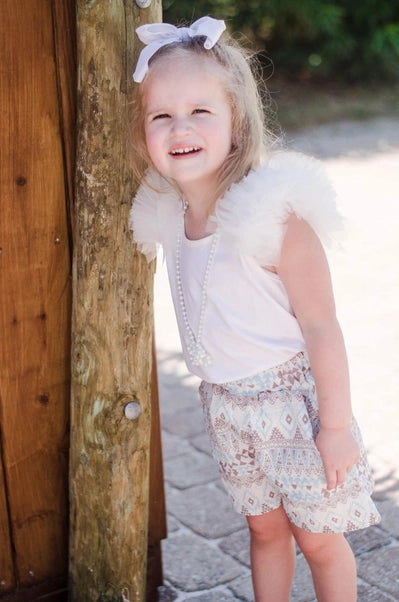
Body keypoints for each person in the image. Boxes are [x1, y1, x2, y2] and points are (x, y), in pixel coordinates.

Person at [129, 16, 380, 602]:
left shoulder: (275, 218)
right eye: (160, 115)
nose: (179, 127)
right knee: (264, 530)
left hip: (295, 409)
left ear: (236, 121)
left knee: (318, 538)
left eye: (200, 111)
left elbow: (322, 326)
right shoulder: (167, 215)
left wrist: (336, 428)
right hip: (227, 408)